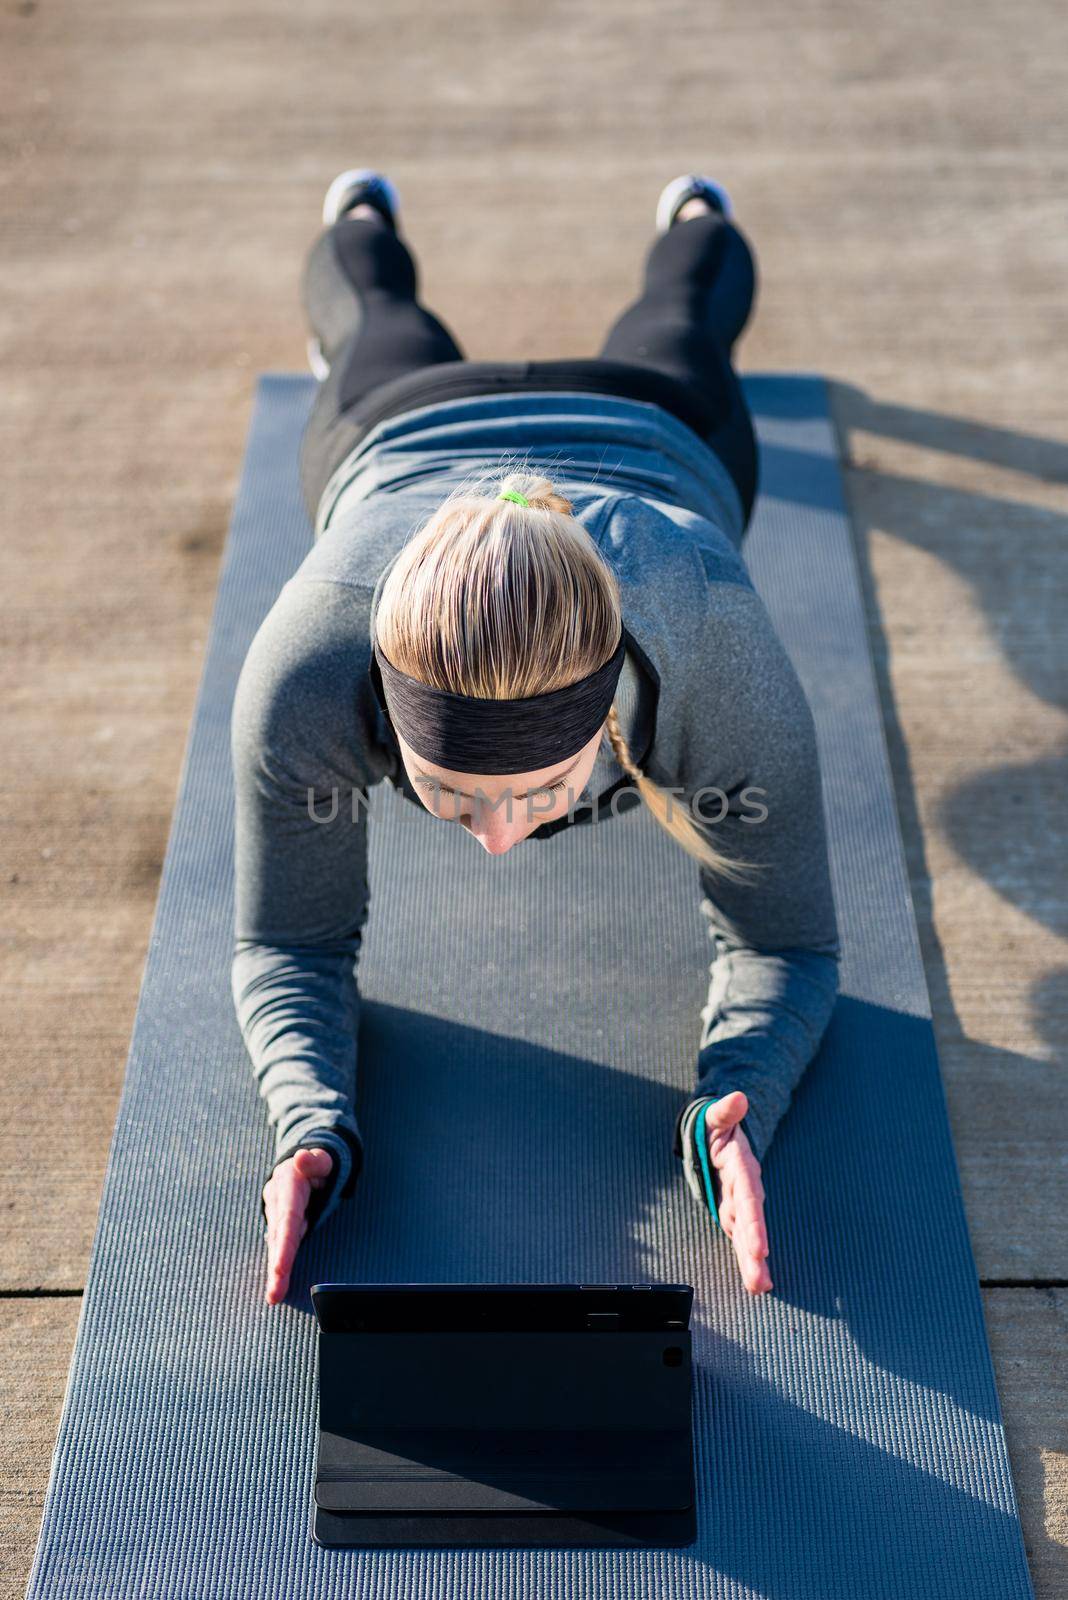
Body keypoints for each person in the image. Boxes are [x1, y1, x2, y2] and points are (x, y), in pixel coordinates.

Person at [230, 169, 841, 1306]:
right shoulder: (304, 673)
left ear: (611, 717)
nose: (500, 843)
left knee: (686, 313)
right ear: (376, 714)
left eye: (541, 791)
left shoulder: (710, 644)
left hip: (656, 429)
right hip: (403, 431)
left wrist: (735, 1098)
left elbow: (790, 943)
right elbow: (289, 943)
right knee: (372, 314)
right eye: (450, 796)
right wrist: (307, 1123)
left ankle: (699, 214)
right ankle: (360, 215)